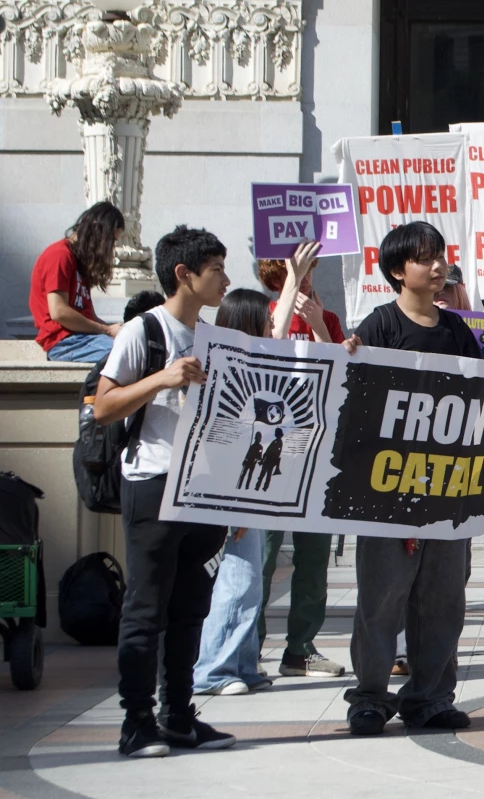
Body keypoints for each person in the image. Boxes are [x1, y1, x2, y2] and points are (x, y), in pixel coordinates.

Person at [338, 221, 484, 736]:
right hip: (386, 493)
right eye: (425, 258)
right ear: (396, 271)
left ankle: (430, 697)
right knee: (382, 599)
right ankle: (369, 697)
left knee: (444, 601)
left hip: (451, 490)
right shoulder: (379, 326)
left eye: (441, 256)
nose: (438, 267)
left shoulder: (458, 331)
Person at [92, 224, 236, 758]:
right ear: (185, 274)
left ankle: (178, 713)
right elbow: (104, 407)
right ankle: (136, 722)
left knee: (191, 607)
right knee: (146, 608)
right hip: (153, 483)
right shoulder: (143, 332)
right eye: (217, 268)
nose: (225, 279)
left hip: (206, 489)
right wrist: (162, 380)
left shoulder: (214, 336)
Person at [193, 280, 308, 698]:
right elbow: (216, 440)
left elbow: (279, 333)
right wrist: (235, 503)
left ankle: (242, 664)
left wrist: (294, 279)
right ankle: (215, 670)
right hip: (229, 492)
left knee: (251, 582)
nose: (272, 330)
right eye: (264, 322)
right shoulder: (225, 371)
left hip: (250, 491)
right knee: (236, 581)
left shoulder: (250, 363)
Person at [256, 254, 347, 678]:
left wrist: (320, 327)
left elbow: (344, 373)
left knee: (314, 554)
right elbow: (261, 363)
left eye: (311, 269)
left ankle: (300, 647)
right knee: (264, 551)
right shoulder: (263, 315)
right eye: (299, 270)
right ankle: (248, 643)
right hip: (271, 448)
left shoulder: (325, 315)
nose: (308, 277)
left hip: (317, 447)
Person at [30, 201, 126, 363]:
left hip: (83, 339)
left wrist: (121, 331)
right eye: (111, 240)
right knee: (128, 354)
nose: (111, 248)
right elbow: (59, 312)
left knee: (136, 347)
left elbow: (90, 317)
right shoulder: (59, 255)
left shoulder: (79, 261)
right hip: (65, 342)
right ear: (96, 229)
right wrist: (107, 330)